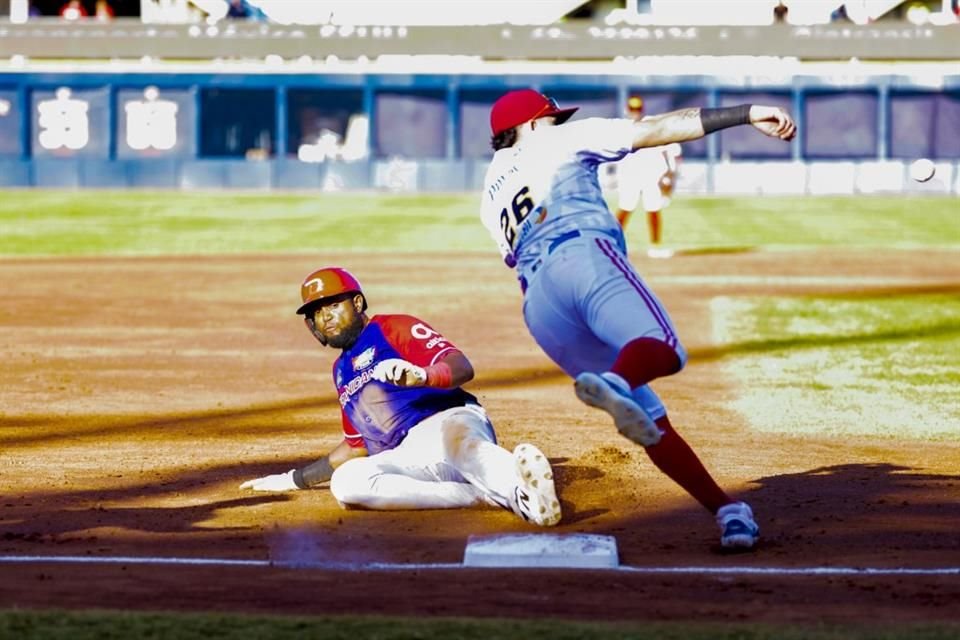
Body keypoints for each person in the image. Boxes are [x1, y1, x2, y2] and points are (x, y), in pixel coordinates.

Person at [479, 89, 796, 549]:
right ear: (529, 124)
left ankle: (728, 511)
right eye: (552, 118)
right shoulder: (560, 141)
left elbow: (512, 258)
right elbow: (656, 129)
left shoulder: (489, 194)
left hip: (540, 308)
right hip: (580, 255)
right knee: (664, 349)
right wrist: (747, 114)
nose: (559, 124)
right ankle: (617, 382)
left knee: (647, 419)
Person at [239, 266, 561, 527]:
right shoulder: (340, 373)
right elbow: (356, 447)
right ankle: (478, 495)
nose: (327, 317)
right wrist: (294, 479)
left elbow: (461, 366)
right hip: (410, 456)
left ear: (358, 304)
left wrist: (422, 375)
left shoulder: (392, 328)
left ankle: (524, 495)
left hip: (449, 420)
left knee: (466, 449)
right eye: (318, 312)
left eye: (334, 305)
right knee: (347, 484)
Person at [613, 95, 683, 258]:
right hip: (631, 176)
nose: (635, 113)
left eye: (637, 109)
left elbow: (669, 147)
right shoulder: (621, 128)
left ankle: (655, 246)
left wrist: (669, 172)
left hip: (651, 176)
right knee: (625, 209)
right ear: (627, 110)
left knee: (653, 210)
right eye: (632, 109)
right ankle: (612, 243)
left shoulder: (651, 124)